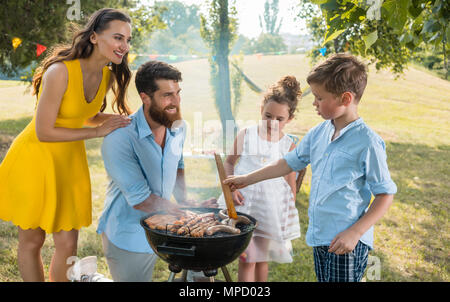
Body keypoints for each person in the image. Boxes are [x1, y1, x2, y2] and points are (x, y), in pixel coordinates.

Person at [224, 53, 397, 282]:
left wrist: (355, 232)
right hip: (320, 236)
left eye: (319, 98)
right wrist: (247, 178)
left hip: (347, 241)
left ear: (345, 99)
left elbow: (385, 194)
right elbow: (287, 163)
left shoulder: (368, 142)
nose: (314, 103)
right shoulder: (319, 133)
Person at [0, 8, 133, 282]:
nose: (124, 46)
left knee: (68, 246)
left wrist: (120, 120)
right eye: (118, 37)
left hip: (69, 163)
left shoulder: (106, 75)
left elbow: (85, 114)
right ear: (95, 37)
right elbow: (44, 130)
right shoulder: (60, 71)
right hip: (36, 159)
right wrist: (98, 132)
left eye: (128, 40)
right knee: (32, 241)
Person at [97, 60, 216, 282]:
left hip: (169, 222)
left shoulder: (179, 127)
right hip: (129, 232)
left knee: (200, 278)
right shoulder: (119, 138)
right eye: (167, 95)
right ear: (145, 97)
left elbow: (178, 165)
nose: (176, 102)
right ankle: (90, 278)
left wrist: (186, 201)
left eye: (178, 93)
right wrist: (186, 212)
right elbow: (141, 200)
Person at [218, 76, 301, 282]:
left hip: (270, 209)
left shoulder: (288, 145)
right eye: (268, 116)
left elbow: (290, 181)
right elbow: (229, 163)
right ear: (261, 110)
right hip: (245, 205)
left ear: (289, 119)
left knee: (262, 259)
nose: (272, 123)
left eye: (279, 119)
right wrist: (232, 189)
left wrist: (288, 209)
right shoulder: (246, 134)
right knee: (247, 257)